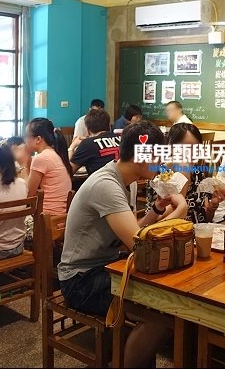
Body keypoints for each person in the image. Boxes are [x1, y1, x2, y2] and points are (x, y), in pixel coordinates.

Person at [58, 121, 187, 367]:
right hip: (81, 280)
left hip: (106, 267)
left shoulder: (125, 179)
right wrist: (180, 210)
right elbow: (140, 245)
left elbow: (132, 230)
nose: (161, 163)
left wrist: (156, 210)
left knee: (164, 299)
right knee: (161, 313)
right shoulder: (106, 185)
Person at [146, 123, 225, 223]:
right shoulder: (159, 177)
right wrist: (184, 182)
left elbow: (204, 219)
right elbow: (156, 222)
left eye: (197, 148)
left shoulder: (197, 174)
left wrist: (212, 207)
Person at [24, 118, 73, 214]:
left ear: (38, 139)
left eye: (26, 136)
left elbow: (28, 195)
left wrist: (23, 164)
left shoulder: (41, 158)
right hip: (61, 216)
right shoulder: (55, 154)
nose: (25, 140)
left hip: (46, 217)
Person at [70, 109, 121, 176]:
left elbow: (69, 171)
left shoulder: (88, 144)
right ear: (109, 126)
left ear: (88, 130)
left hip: (101, 181)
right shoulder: (123, 139)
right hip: (124, 181)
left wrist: (72, 147)